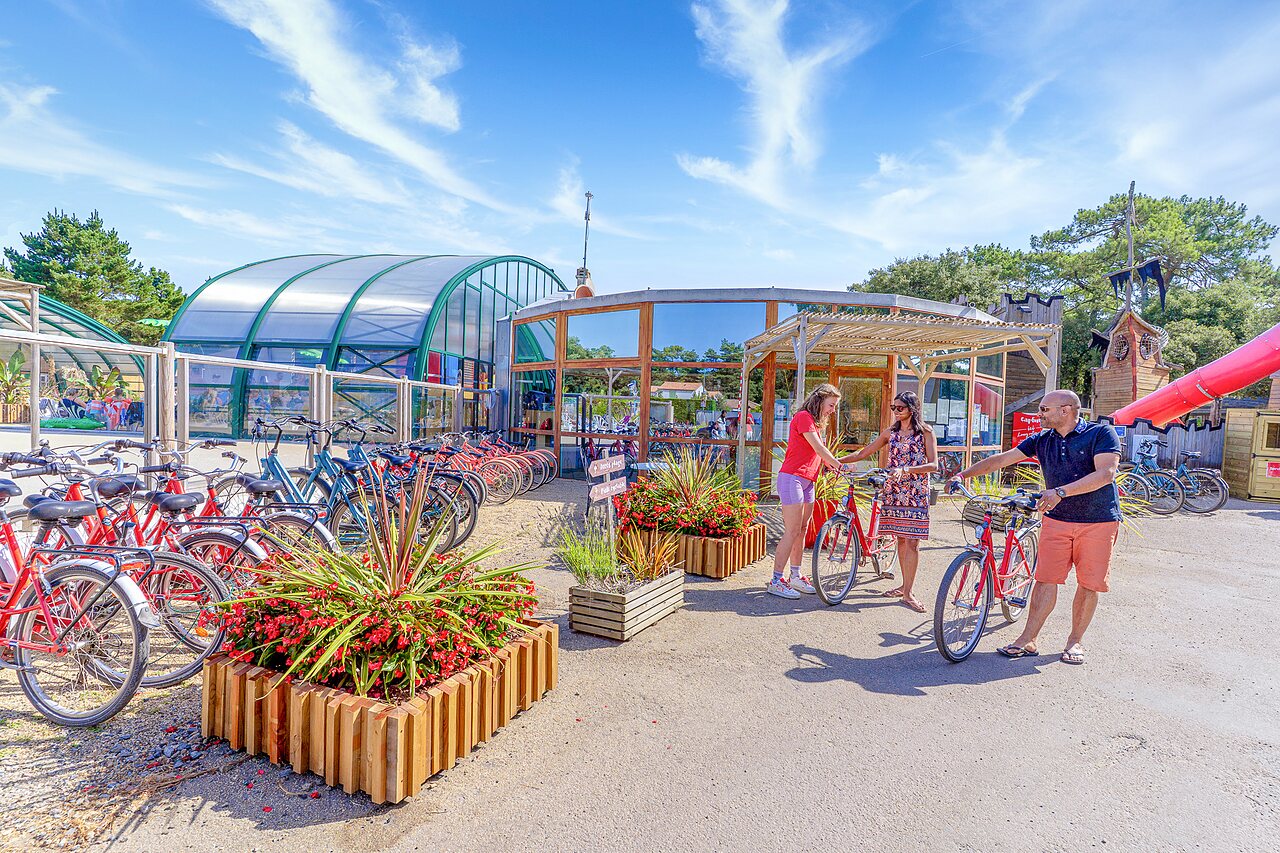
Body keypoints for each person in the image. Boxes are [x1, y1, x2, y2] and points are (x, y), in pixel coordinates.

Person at [948, 389, 1121, 665]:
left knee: (1089, 584)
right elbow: (1003, 459)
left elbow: (1105, 474)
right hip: (1056, 519)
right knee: (1045, 580)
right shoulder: (1042, 440)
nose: (1038, 414)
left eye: (1043, 409)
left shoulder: (1101, 434)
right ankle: (1028, 639)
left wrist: (1060, 492)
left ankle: (1075, 642)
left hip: (1098, 520)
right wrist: (963, 474)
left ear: (1065, 410)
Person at [842, 390, 938, 613]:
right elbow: (863, 453)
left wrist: (906, 470)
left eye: (900, 408)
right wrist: (835, 461)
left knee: (912, 542)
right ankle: (905, 587)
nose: (895, 411)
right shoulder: (890, 433)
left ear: (912, 409)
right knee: (901, 541)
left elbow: (934, 465)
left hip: (915, 492)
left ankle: (908, 593)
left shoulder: (925, 432)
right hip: (894, 491)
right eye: (893, 408)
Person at [769, 383, 852, 599]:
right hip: (792, 478)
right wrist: (838, 465)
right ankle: (776, 580)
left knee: (803, 530)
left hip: (808, 480)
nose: (833, 410)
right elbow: (818, 449)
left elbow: (815, 455)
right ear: (820, 400)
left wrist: (826, 466)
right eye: (831, 405)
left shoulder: (815, 422)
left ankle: (795, 575)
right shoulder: (804, 417)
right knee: (792, 530)